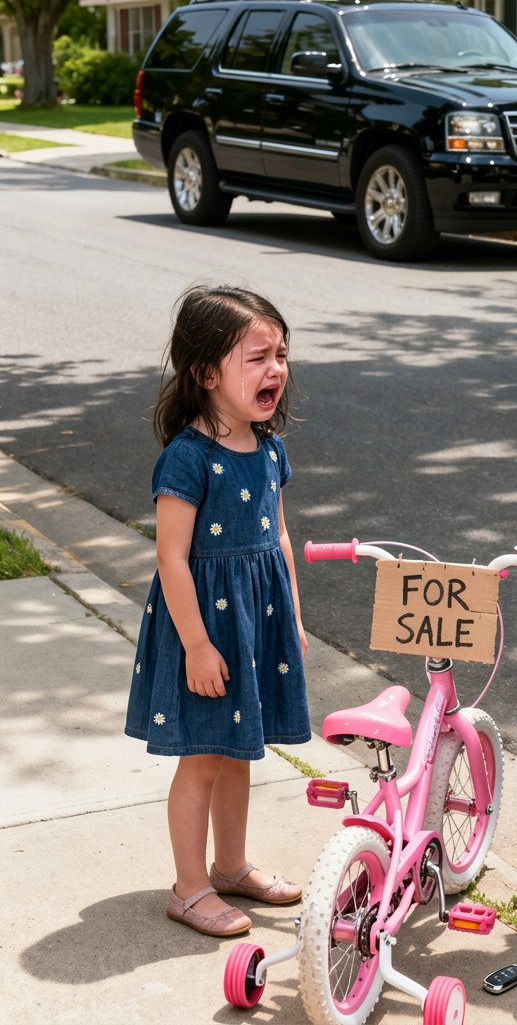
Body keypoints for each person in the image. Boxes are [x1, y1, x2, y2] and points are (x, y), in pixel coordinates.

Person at [126, 285, 311, 937]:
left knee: (238, 753)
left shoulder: (269, 449)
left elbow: (278, 537)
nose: (275, 369)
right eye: (257, 357)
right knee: (203, 757)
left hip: (254, 624)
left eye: (280, 355)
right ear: (207, 375)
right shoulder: (188, 458)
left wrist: (292, 617)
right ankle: (189, 887)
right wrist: (198, 646)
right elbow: (171, 559)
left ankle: (230, 866)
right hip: (204, 628)